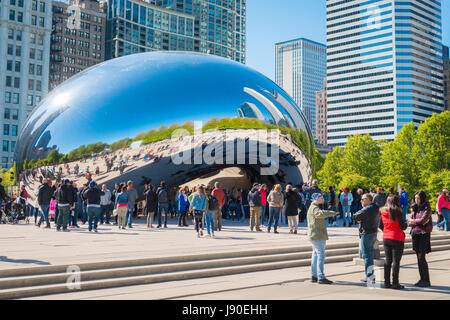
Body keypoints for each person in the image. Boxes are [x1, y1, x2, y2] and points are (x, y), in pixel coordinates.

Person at [307, 193, 339, 284]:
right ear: (316, 199)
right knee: (320, 255)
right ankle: (321, 276)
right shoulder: (314, 207)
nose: (323, 199)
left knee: (316, 255)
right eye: (321, 198)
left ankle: (314, 275)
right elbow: (319, 214)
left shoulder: (313, 207)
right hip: (317, 235)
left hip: (315, 235)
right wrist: (332, 213)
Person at [379, 195, 407, 289]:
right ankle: (395, 283)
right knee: (396, 261)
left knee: (388, 260)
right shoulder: (398, 211)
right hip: (397, 237)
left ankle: (386, 283)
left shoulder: (383, 211)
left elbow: (380, 226)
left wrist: (387, 230)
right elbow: (403, 226)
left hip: (386, 237)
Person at [353, 193, 380, 284]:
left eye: (363, 199)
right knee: (369, 255)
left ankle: (370, 276)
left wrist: (360, 218)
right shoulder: (375, 207)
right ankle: (370, 275)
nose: (361, 201)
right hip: (372, 233)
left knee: (367, 256)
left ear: (369, 199)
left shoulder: (368, 208)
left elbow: (355, 216)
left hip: (367, 233)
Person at [408, 191, 433, 287]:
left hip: (423, 234)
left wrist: (413, 221)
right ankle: (422, 279)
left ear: (422, 198)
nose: (416, 200)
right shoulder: (414, 208)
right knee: (418, 258)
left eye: (418, 198)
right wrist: (414, 221)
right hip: (415, 234)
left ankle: (426, 280)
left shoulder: (427, 208)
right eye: (415, 198)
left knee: (421, 257)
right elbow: (409, 222)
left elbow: (423, 220)